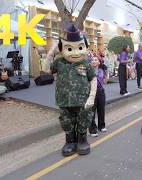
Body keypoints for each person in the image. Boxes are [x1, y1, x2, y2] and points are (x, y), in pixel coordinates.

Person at [49, 23, 96, 156]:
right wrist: (52, 51)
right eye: (69, 49)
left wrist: (92, 96)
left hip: (82, 100)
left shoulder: (86, 63)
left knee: (83, 119)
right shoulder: (59, 62)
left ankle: (82, 140)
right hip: (64, 100)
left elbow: (93, 79)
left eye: (80, 47)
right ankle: (70, 141)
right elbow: (46, 69)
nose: (75, 52)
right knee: (66, 121)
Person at [89, 56, 108, 137]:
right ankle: (93, 130)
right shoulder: (88, 71)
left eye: (96, 60)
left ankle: (102, 126)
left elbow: (104, 81)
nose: (94, 61)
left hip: (101, 92)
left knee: (101, 110)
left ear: (99, 62)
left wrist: (107, 74)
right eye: (92, 60)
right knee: (91, 112)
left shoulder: (101, 70)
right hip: (92, 93)